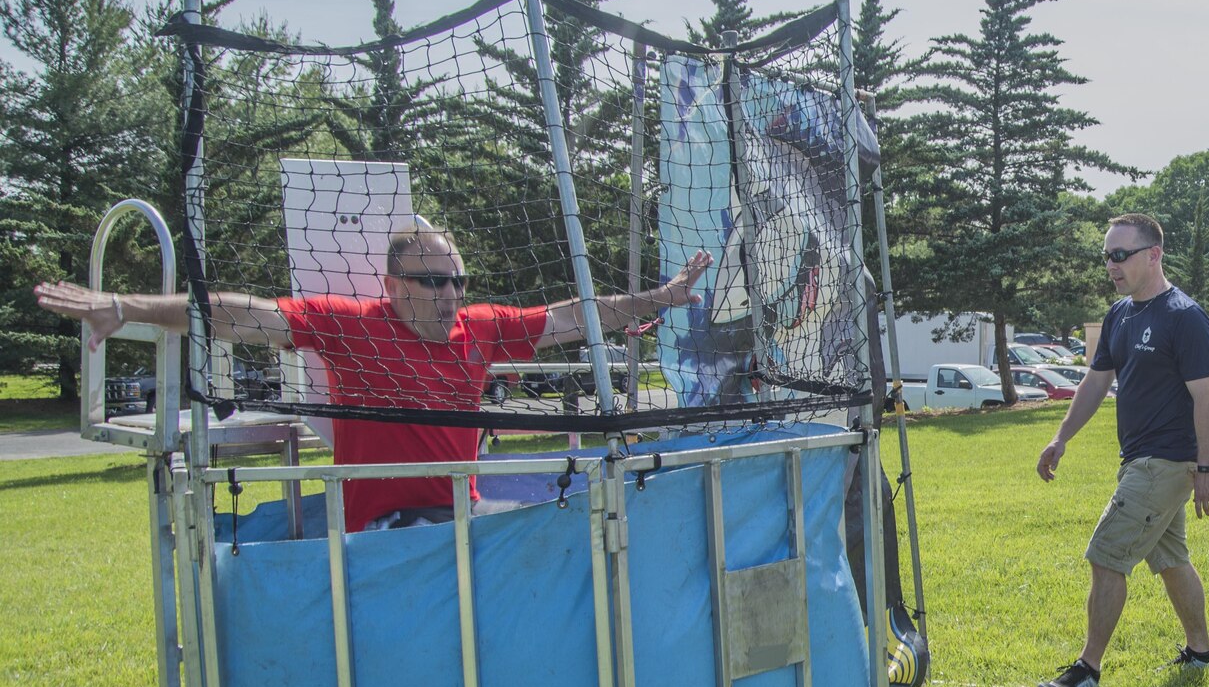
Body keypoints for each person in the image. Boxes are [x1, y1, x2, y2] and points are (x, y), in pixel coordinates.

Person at [36, 227, 713, 530]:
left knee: (560, 534)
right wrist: (125, 308)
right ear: (394, 286)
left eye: (457, 280)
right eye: (433, 281)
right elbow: (238, 314)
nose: (450, 293)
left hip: (460, 517)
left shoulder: (480, 328)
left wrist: (659, 298)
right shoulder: (351, 324)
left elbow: (573, 316)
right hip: (384, 532)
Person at [1035, 212, 1209, 687]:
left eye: (1121, 255)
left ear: (1153, 255)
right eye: (1107, 256)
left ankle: (1087, 671)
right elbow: (1095, 382)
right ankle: (1202, 653)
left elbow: (1206, 397)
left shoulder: (1184, 317)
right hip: (1138, 458)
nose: (1111, 265)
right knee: (1171, 559)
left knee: (1106, 555)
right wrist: (1061, 438)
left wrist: (1207, 467)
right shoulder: (1120, 315)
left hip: (1165, 463)